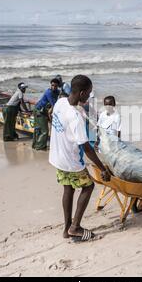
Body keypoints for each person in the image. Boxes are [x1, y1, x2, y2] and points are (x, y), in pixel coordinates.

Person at [49, 74, 111, 241]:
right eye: (89, 93)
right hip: (71, 161)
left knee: (68, 188)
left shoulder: (60, 102)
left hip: (57, 156)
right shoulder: (76, 117)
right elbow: (86, 147)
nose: (89, 96)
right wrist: (102, 168)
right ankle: (75, 227)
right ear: (82, 93)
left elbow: (51, 116)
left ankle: (66, 228)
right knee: (88, 186)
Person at [32, 77, 62, 150]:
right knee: (44, 130)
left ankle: (38, 145)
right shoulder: (49, 92)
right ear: (50, 85)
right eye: (52, 85)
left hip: (44, 111)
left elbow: (60, 99)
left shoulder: (57, 92)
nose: (54, 87)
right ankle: (39, 147)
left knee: (40, 129)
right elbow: (54, 104)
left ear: (58, 86)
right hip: (39, 111)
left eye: (55, 86)